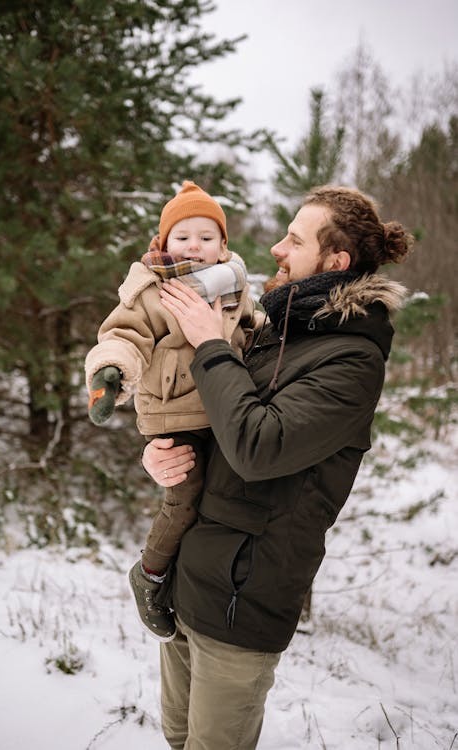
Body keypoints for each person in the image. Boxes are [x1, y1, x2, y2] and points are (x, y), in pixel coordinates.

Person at [142, 185, 414, 750]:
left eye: (294, 239)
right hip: (193, 578)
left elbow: (258, 448)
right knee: (175, 735)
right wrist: (162, 453)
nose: (275, 247)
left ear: (335, 262)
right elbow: (216, 416)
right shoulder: (278, 330)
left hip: (244, 603)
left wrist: (207, 345)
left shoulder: (352, 359)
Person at [84, 181, 257, 642]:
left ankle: (191, 583)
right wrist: (110, 372)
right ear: (163, 243)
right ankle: (151, 574)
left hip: (223, 409)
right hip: (171, 414)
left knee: (219, 503)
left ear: (223, 246)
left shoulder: (236, 288)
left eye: (206, 236)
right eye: (182, 236)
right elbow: (124, 335)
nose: (194, 246)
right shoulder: (152, 290)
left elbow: (252, 328)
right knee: (184, 500)